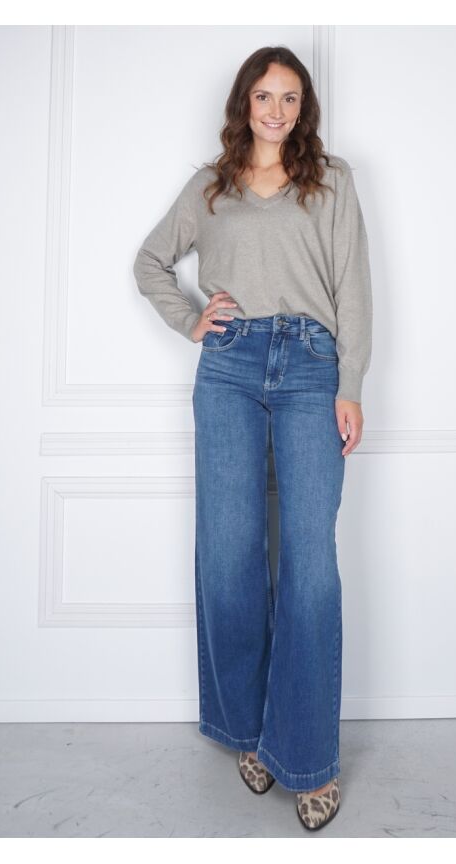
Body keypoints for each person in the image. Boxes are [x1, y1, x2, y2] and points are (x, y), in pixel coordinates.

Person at [133, 45, 373, 832]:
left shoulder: (330, 181)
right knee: (229, 554)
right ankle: (253, 733)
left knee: (310, 563)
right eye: (264, 96)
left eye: (290, 98)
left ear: (304, 109)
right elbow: (150, 263)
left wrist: (349, 384)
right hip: (230, 369)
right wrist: (191, 319)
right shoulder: (212, 187)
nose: (277, 110)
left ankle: (307, 757)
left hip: (310, 366)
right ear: (244, 103)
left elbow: (353, 287)